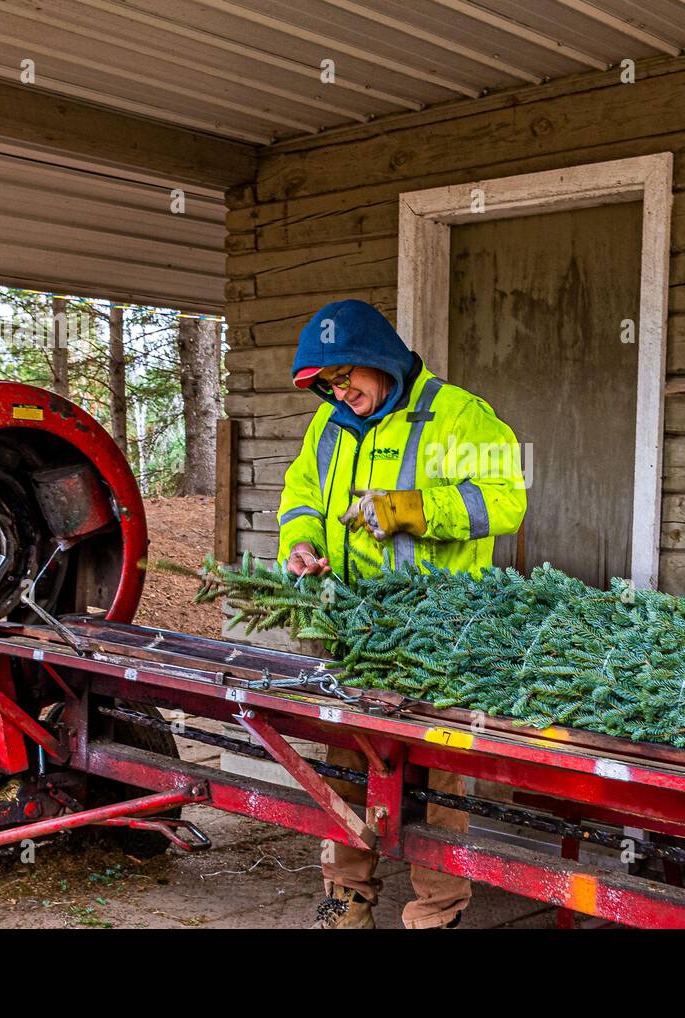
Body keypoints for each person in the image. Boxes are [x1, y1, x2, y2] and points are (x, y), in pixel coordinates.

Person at [277, 299, 527, 928]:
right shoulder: (329, 425)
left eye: (348, 377)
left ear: (382, 361)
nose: (340, 393)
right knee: (343, 762)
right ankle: (346, 899)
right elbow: (301, 492)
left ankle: (436, 912)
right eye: (327, 384)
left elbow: (506, 501)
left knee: (435, 779)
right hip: (345, 627)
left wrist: (407, 508)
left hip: (435, 632)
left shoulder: (461, 415)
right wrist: (300, 543)